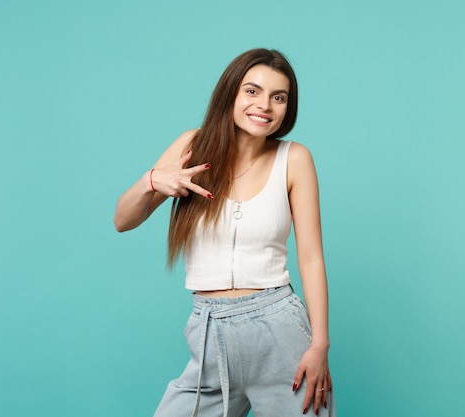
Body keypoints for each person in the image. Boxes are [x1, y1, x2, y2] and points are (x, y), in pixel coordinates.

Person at [114, 48, 336, 417]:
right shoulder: (192, 146)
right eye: (252, 91)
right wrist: (152, 181)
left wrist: (320, 344)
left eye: (278, 97)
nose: (264, 105)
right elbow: (123, 220)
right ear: (230, 93)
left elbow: (311, 257)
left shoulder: (294, 159)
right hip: (208, 330)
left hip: (279, 331)